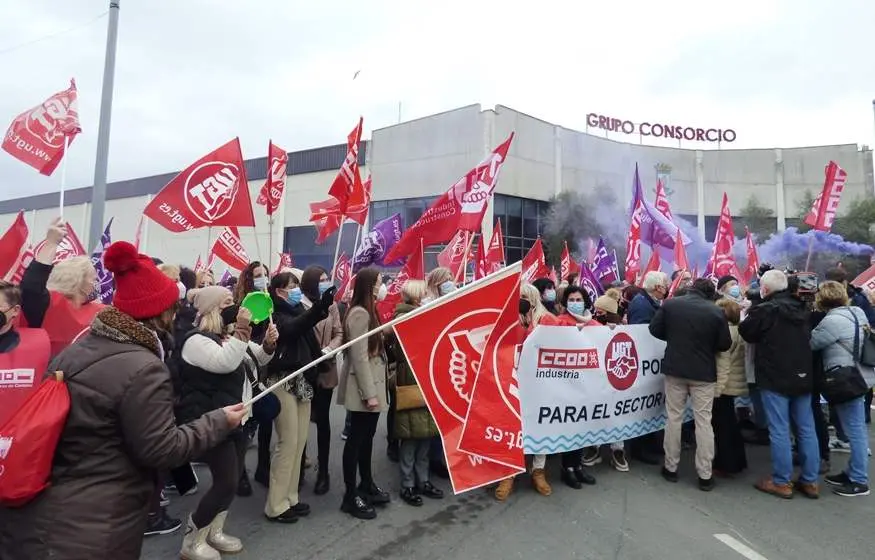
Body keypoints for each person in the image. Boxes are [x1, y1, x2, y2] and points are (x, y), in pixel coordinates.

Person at [0, 241, 246, 560]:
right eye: (173, 308)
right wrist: (218, 421)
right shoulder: (143, 368)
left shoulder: (80, 347)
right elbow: (162, 449)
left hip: (48, 512)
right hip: (97, 522)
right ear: (160, 313)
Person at [175, 285, 278, 558]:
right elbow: (227, 362)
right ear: (213, 308)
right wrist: (243, 328)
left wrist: (268, 343)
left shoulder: (227, 336)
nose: (237, 307)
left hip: (237, 420)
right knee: (226, 482)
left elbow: (257, 357)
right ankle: (192, 538)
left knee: (229, 481)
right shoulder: (196, 341)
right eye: (229, 302)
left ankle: (213, 532)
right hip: (211, 421)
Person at [739, 270, 820, 499]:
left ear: (764, 289)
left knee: (780, 429)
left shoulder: (766, 309)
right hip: (803, 375)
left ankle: (781, 481)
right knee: (806, 429)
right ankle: (810, 480)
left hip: (775, 376)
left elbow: (747, 332)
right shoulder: (803, 308)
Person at [264, 271, 334, 522]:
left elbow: (308, 338)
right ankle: (276, 505)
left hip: (303, 381)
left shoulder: (295, 311)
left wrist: (323, 367)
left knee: (300, 440)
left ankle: (290, 497)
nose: (295, 289)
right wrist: (318, 308)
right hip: (283, 380)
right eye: (290, 285)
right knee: (288, 442)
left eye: (296, 284)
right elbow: (292, 330)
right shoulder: (274, 316)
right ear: (278, 291)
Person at [650, 278, 732, 491]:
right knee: (704, 421)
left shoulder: (671, 304)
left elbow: (654, 329)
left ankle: (671, 467)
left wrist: (675, 338)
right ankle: (705, 474)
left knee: (673, 417)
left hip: (675, 369)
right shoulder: (715, 312)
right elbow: (724, 344)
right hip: (703, 372)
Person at [494, 283, 560, 501]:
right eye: (517, 296)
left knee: (540, 425)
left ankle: (538, 471)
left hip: (541, 384)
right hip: (514, 382)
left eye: (524, 296)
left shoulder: (546, 319)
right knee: (512, 425)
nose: (520, 299)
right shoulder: (508, 319)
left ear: (532, 298)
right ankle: (509, 471)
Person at [385, 279, 445, 506]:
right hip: (411, 377)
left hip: (426, 377)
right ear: (416, 296)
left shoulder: (423, 313)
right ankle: (408, 484)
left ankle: (424, 479)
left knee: (426, 433)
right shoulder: (403, 317)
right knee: (410, 435)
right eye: (424, 292)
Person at [337, 268, 391, 519]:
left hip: (373, 385)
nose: (383, 287)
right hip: (364, 388)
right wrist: (369, 394)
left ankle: (366, 483)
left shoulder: (370, 311)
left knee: (367, 437)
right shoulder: (359, 313)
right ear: (369, 286)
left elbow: (376, 340)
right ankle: (350, 495)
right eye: (379, 282)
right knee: (356, 441)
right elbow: (359, 356)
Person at [810, 281, 871, 497]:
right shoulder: (857, 313)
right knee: (856, 427)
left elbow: (813, 342)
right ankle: (852, 471)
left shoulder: (833, 320)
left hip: (845, 377)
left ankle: (859, 480)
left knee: (855, 430)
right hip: (860, 375)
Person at [19, 218, 104, 357]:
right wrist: (51, 244)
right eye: (93, 278)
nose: (96, 282)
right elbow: (30, 288)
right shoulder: (50, 305)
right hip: (49, 375)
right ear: (78, 280)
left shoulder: (103, 312)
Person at [299, 265, 343, 495]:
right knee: (301, 421)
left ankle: (323, 472)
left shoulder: (332, 305)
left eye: (327, 278)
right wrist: (311, 356)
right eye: (322, 279)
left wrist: (328, 350)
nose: (326, 282)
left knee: (323, 421)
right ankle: (298, 469)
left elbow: (339, 333)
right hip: (304, 370)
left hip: (326, 368)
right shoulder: (298, 305)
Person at [552, 285, 599, 488]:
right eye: (571, 299)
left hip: (587, 385)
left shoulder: (595, 325)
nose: (575, 303)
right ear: (565, 303)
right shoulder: (558, 323)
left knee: (582, 426)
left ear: (586, 302)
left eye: (579, 300)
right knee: (569, 427)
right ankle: (567, 469)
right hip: (567, 384)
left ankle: (578, 466)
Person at [581, 294, 631, 472]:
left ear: (609, 313)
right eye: (596, 310)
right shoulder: (590, 327)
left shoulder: (623, 329)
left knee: (617, 414)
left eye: (600, 311)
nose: (596, 314)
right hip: (595, 380)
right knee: (596, 413)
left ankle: (618, 450)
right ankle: (594, 447)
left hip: (615, 380)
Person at [626, 271, 669, 465]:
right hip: (643, 361)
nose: (667, 287)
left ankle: (651, 443)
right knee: (642, 405)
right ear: (657, 287)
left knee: (651, 404)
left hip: (651, 362)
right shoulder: (642, 303)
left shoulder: (650, 301)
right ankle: (639, 448)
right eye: (665, 284)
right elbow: (642, 333)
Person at [712, 298, 749, 477]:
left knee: (722, 426)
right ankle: (737, 460)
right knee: (731, 424)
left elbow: (723, 363)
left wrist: (717, 389)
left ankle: (726, 463)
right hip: (735, 382)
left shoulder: (726, 333)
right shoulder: (739, 330)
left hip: (725, 384)